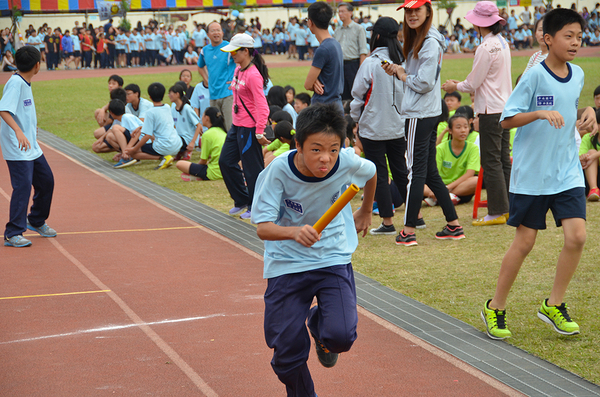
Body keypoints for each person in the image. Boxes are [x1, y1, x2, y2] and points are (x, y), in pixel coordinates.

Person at [481, 8, 598, 340]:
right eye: (568, 36)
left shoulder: (576, 74)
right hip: (533, 174)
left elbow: (568, 107)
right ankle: (495, 307)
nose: (576, 42)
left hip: (567, 171)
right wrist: (538, 114)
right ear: (548, 39)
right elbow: (506, 120)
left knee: (577, 237)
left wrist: (587, 111)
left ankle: (554, 304)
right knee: (525, 242)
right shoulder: (534, 75)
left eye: (580, 36)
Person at [251, 103, 377, 397]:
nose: (326, 159)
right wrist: (294, 232)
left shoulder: (345, 162)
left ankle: (316, 322)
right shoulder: (277, 173)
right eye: (317, 149)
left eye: (333, 149)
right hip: (287, 264)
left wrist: (365, 211)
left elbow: (370, 173)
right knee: (286, 354)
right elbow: (263, 228)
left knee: (341, 337)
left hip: (331, 257)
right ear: (298, 145)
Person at [384, 0, 464, 246]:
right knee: (429, 171)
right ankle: (454, 224)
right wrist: (400, 68)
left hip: (419, 113)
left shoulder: (428, 42)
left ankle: (408, 230)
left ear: (428, 11)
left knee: (414, 171)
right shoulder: (426, 38)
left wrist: (401, 73)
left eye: (416, 10)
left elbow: (424, 82)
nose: (411, 15)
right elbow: (418, 75)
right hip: (427, 111)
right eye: (408, 11)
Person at [442, 1, 513, 226]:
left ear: (479, 23)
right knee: (503, 159)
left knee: (491, 161)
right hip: (504, 107)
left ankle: (497, 211)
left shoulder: (485, 47)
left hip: (490, 110)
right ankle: (510, 206)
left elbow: (474, 82)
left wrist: (454, 85)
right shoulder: (503, 42)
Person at [350, 17, 408, 236]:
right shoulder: (404, 61)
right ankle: (415, 216)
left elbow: (358, 96)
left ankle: (387, 221)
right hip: (398, 126)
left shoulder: (371, 63)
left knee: (379, 174)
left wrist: (356, 122)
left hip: (373, 127)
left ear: (378, 36)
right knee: (401, 170)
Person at [1, 46, 56, 248]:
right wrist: (18, 131)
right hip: (17, 147)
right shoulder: (15, 83)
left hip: (30, 145)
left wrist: (31, 129)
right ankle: (13, 233)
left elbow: (21, 112)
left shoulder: (24, 81)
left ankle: (36, 220)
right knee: (23, 186)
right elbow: (4, 110)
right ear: (37, 65)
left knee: (46, 181)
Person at [218, 34, 270, 220]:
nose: (231, 54)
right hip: (237, 126)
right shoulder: (239, 70)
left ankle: (255, 206)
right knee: (225, 161)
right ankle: (241, 200)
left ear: (245, 51)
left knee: (252, 169)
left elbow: (262, 105)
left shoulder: (253, 75)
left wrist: (258, 131)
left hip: (249, 128)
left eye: (234, 51)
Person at [124, 82, 182, 170]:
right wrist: (140, 128)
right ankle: (166, 156)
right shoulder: (167, 107)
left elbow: (147, 136)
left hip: (164, 147)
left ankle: (162, 157)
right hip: (177, 144)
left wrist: (134, 149)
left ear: (150, 97)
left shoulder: (150, 112)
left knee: (133, 153)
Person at [425, 113, 480, 206]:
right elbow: (434, 172)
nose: (463, 131)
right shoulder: (441, 148)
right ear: (450, 130)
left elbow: (469, 174)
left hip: (460, 186)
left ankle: (442, 196)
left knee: (476, 180)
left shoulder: (473, 148)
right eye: (458, 127)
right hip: (439, 185)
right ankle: (446, 196)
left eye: (466, 127)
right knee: (418, 183)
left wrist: (447, 188)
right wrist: (441, 188)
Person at [197, 21, 237, 131]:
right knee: (217, 128)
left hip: (228, 94)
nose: (216, 33)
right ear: (208, 34)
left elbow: (242, 61)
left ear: (222, 33)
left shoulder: (229, 47)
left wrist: (236, 78)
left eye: (218, 30)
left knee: (230, 127)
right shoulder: (205, 50)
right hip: (213, 95)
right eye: (213, 30)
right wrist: (207, 80)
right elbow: (200, 66)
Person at [304, 2, 344, 112]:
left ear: (310, 22)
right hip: (336, 105)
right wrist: (315, 80)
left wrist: (313, 81)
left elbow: (307, 84)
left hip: (324, 107)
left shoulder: (323, 49)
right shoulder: (335, 44)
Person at [176, 107, 226, 181]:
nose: (201, 118)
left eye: (202, 116)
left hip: (213, 173)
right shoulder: (224, 132)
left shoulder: (207, 135)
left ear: (207, 118)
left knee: (179, 164)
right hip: (225, 171)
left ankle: (198, 176)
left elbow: (203, 161)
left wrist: (195, 169)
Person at [334, 3, 369, 100]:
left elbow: (363, 50)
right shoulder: (337, 31)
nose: (340, 14)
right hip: (341, 65)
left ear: (350, 13)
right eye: (339, 12)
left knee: (355, 92)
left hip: (353, 64)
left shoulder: (358, 29)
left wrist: (361, 70)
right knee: (342, 92)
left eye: (343, 11)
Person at [168, 83, 202, 160]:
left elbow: (199, 125)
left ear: (177, 94)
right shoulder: (173, 108)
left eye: (170, 93)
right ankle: (181, 152)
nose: (169, 95)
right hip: (179, 137)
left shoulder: (187, 108)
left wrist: (192, 142)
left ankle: (187, 150)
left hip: (187, 139)